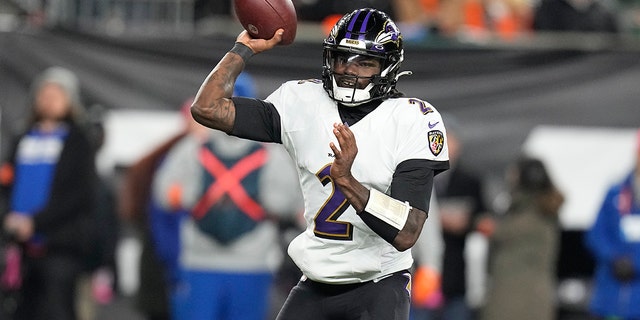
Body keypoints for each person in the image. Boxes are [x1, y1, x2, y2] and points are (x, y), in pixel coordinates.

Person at [190, 7, 450, 319]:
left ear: (387, 66)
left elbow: (407, 231)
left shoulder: (412, 119)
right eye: (342, 58)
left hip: (378, 284)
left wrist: (349, 183)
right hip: (314, 281)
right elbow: (207, 108)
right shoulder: (301, 101)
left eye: (364, 62)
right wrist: (243, 49)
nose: (349, 71)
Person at [152, 104, 302, 320]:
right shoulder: (271, 152)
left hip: (208, 260)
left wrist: (192, 195)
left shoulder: (193, 147)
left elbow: (164, 193)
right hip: (245, 261)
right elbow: (289, 203)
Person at [0, 66, 98, 320]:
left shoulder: (77, 141)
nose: (48, 100)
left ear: (70, 101)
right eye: (44, 94)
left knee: (57, 309)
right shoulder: (23, 138)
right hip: (20, 244)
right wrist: (11, 218)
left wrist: (35, 222)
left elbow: (77, 194)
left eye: (57, 95)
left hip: (60, 245)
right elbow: (8, 183)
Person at [480, 156, 563, 320]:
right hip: (533, 297)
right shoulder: (544, 210)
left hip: (514, 298)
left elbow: (502, 232)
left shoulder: (529, 213)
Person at [428, 115, 487, 320]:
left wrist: (467, 223)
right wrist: (436, 219)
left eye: (449, 139)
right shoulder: (416, 178)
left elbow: (485, 220)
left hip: (458, 276)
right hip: (423, 274)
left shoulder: (470, 181)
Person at [584, 129, 640, 320]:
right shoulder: (616, 193)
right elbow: (596, 235)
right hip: (608, 298)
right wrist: (614, 258)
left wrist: (636, 264)